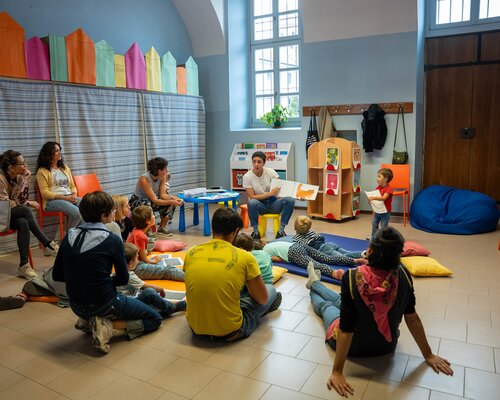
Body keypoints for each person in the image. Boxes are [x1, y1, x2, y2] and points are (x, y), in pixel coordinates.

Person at [305, 227, 453, 398]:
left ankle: (313, 285)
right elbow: (412, 318)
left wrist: (337, 371)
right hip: (386, 346)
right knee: (343, 303)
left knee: (326, 306)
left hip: (353, 348)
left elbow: (346, 330)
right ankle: (314, 283)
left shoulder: (352, 278)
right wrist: (428, 354)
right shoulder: (404, 275)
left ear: (371, 250)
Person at [52, 191, 163, 354]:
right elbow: (123, 278)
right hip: (103, 301)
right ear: (104, 216)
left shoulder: (69, 236)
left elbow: (58, 275)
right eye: (112, 211)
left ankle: (88, 319)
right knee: (154, 319)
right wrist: (103, 281)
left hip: (75, 304)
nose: (114, 213)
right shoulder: (111, 239)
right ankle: (107, 327)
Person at [183, 207, 281, 342]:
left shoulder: (191, 252)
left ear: (213, 228)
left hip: (196, 329)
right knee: (270, 290)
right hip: (230, 332)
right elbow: (262, 299)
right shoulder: (246, 257)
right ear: (235, 232)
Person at [0, 150, 59, 279]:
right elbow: (5, 205)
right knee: (25, 210)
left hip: (8, 215)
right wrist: (26, 204)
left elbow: (19, 201)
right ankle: (47, 243)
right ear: (11, 167)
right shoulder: (0, 179)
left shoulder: (20, 177)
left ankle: (24, 265)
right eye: (22, 163)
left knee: (23, 222)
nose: (25, 166)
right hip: (1, 215)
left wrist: (25, 181)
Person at [117, 243, 186, 317]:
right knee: (150, 292)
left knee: (150, 300)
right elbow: (149, 287)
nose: (137, 260)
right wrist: (160, 289)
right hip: (129, 306)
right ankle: (170, 308)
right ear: (131, 263)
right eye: (136, 258)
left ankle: (159, 310)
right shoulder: (128, 275)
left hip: (127, 302)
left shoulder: (118, 272)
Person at [242, 151, 295, 240]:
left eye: (259, 162)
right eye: (254, 161)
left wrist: (297, 196)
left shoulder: (270, 172)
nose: (256, 164)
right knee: (252, 202)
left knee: (290, 200)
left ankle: (280, 230)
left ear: (264, 163)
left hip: (274, 203)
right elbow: (252, 196)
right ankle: (256, 232)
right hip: (260, 205)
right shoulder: (247, 177)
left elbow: (281, 188)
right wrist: (270, 193)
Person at [126, 205, 185, 281]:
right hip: (136, 268)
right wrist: (153, 261)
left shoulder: (137, 230)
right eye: (152, 215)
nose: (154, 216)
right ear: (148, 221)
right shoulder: (140, 235)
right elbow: (144, 259)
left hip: (132, 265)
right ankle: (192, 278)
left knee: (161, 264)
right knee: (168, 270)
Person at [129, 157, 183, 237]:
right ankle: (148, 230)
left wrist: (174, 199)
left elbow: (163, 195)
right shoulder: (144, 179)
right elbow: (154, 200)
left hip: (151, 200)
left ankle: (161, 228)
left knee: (171, 204)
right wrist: (172, 200)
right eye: (165, 169)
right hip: (138, 201)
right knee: (147, 205)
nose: (167, 171)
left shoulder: (163, 177)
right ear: (159, 171)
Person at [35, 141, 82, 231]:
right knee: (76, 214)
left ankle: (82, 236)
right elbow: (45, 193)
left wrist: (74, 194)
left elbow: (72, 185)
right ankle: (69, 240)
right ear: (49, 154)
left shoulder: (65, 168)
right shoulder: (42, 171)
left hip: (68, 197)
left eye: (60, 150)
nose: (60, 152)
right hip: (51, 201)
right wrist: (65, 198)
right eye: (56, 151)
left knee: (87, 207)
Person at [263, 240, 365, 280]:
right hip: (299, 245)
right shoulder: (271, 243)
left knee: (314, 264)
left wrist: (286, 260)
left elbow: (278, 259)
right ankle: (354, 261)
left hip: (292, 253)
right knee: (326, 258)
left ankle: (333, 272)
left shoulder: (264, 251)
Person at [293, 215, 367, 259]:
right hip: (329, 244)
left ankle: (361, 254)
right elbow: (321, 237)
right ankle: (362, 253)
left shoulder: (296, 239)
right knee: (346, 252)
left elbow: (303, 249)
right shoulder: (311, 232)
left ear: (295, 227)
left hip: (324, 249)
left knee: (343, 257)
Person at [367, 168, 393, 240]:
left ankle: (383, 238)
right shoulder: (378, 187)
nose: (377, 179)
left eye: (379, 177)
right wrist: (371, 201)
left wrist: (373, 198)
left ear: (385, 178)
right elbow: (376, 198)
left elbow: (383, 198)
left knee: (384, 226)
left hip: (385, 212)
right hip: (377, 211)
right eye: (377, 176)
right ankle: (374, 237)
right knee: (374, 224)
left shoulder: (389, 189)